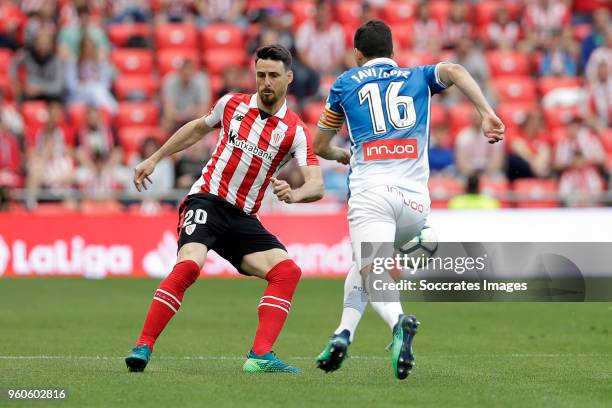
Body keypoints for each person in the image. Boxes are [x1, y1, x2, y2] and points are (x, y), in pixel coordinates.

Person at [313, 20, 504, 379]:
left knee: (372, 269)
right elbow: (456, 69)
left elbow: (320, 145)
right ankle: (343, 334)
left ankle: (398, 322)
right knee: (364, 263)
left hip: (372, 195)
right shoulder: (417, 77)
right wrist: (486, 112)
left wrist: (342, 156)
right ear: (393, 51)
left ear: (357, 53)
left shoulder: (343, 85)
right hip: (416, 203)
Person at [125, 44, 324, 374]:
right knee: (189, 266)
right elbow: (197, 128)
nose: (266, 82)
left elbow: (316, 183)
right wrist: (155, 158)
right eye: (260, 74)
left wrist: (296, 194)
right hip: (207, 199)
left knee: (287, 272)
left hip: (243, 217)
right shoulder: (231, 104)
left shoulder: (295, 132)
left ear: (288, 78)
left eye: (273, 75)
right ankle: (143, 345)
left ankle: (260, 355)